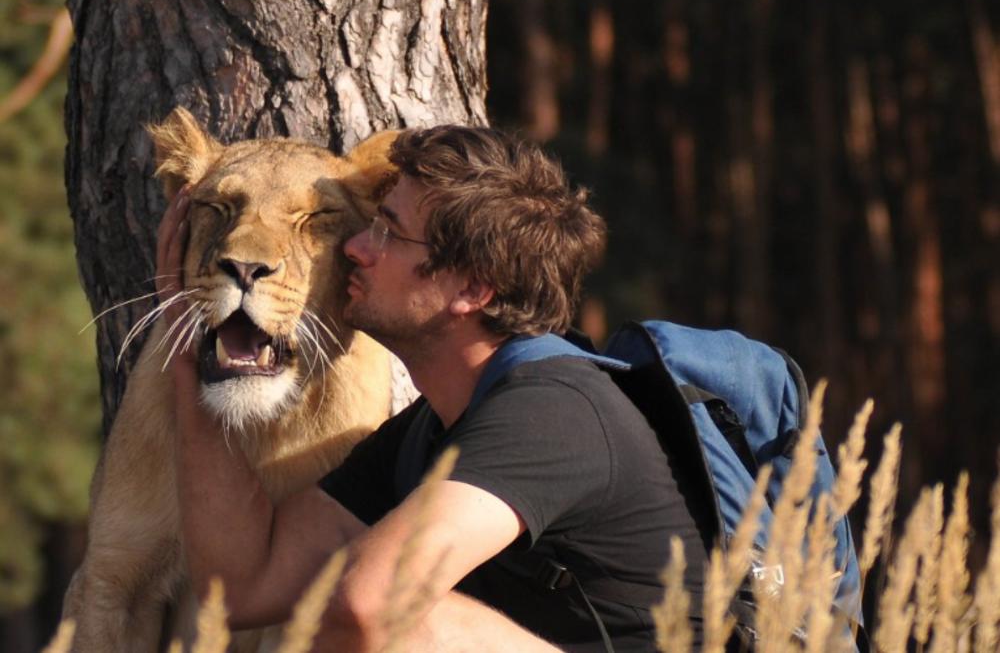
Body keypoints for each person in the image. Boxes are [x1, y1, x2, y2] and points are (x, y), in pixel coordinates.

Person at [158, 126, 709, 652]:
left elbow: (364, 610)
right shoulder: (427, 430)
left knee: (407, 618)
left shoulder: (555, 411)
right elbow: (241, 587)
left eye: (387, 232)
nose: (355, 247)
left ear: (470, 287)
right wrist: (191, 351)